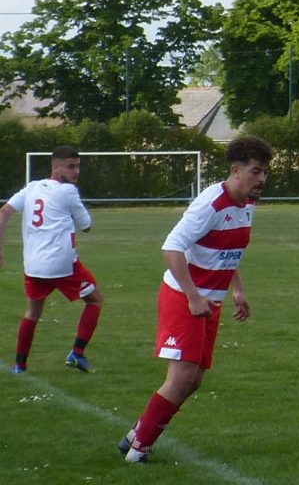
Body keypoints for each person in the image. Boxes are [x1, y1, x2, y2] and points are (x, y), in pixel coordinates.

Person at [118, 137, 273, 463]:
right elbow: (171, 247)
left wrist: (237, 289)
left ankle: (137, 433)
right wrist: (192, 295)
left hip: (208, 302)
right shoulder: (210, 204)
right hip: (183, 297)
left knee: (194, 379)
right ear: (235, 170)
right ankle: (138, 450)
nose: (261, 179)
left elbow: (227, 251)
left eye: (265, 172)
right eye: (256, 171)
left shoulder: (246, 204)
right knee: (183, 377)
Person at [0, 145, 103, 373]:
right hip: (62, 265)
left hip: (33, 266)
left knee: (32, 313)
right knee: (95, 300)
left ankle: (19, 365)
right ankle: (76, 353)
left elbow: (4, 212)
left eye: (77, 166)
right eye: (71, 166)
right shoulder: (68, 192)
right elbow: (86, 226)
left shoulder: (32, 187)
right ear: (56, 168)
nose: (76, 171)